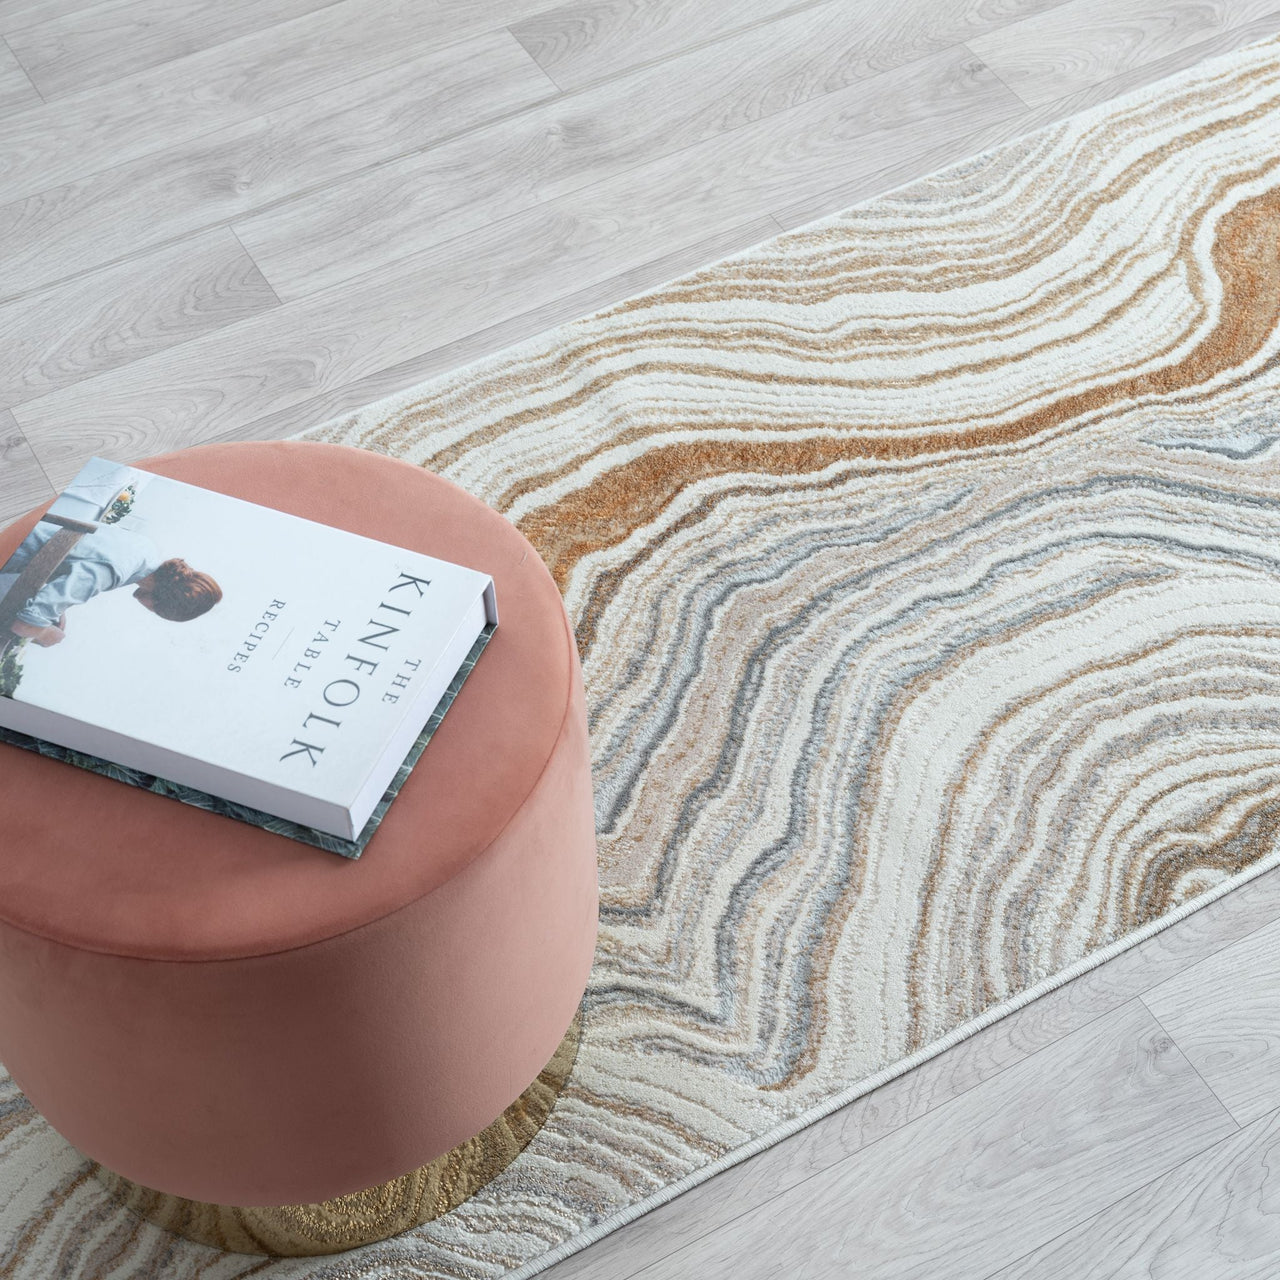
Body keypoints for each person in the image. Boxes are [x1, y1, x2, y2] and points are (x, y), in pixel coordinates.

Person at [0, 520, 221, 649]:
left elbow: (72, 561)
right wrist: (45, 635)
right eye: (158, 612)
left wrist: (58, 608)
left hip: (20, 528)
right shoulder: (114, 572)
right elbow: (24, 623)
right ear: (160, 602)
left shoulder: (144, 549)